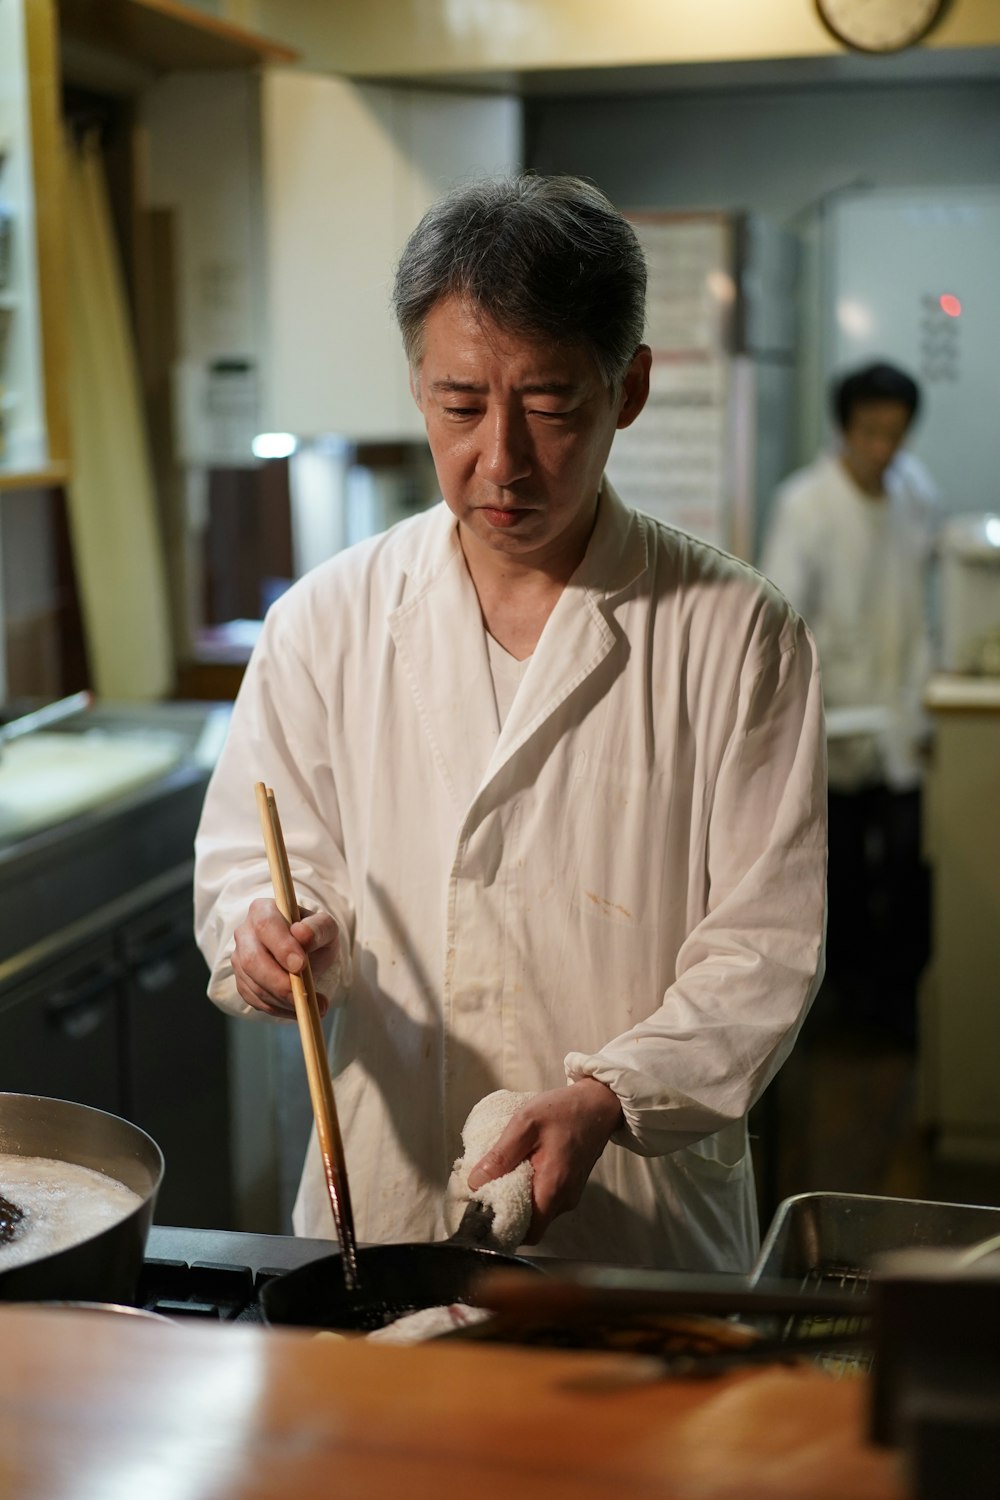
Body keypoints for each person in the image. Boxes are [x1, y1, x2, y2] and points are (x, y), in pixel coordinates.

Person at [194, 174, 826, 1274]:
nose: (500, 459)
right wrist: (270, 936)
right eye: (459, 405)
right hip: (385, 1210)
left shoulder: (737, 633)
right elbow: (260, 865)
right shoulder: (325, 622)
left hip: (642, 1220)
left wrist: (606, 1098)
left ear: (628, 388)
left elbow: (763, 950)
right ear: (416, 386)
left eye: (547, 406)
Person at [761, 361, 938, 1038]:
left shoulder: (914, 495)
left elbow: (923, 605)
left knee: (906, 863)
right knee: (841, 882)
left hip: (899, 719)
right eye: (870, 432)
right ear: (844, 429)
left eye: (895, 434)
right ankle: (848, 1015)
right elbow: (782, 621)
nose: (883, 449)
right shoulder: (805, 505)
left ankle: (896, 1008)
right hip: (831, 725)